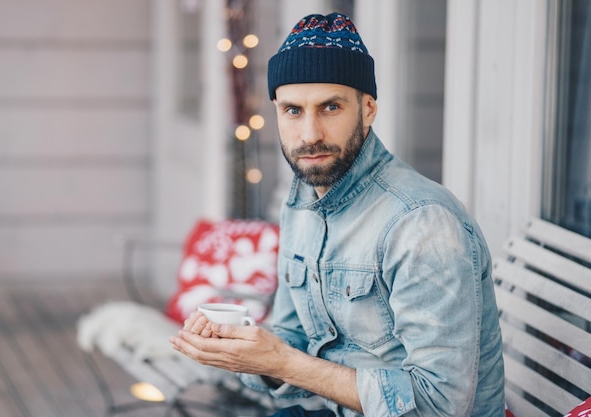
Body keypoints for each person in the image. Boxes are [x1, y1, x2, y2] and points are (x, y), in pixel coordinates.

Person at [170, 12, 505, 417]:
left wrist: (283, 363)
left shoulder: (420, 222)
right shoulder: (301, 201)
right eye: (293, 111)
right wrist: (245, 349)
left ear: (367, 109)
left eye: (330, 107)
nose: (310, 134)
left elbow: (439, 404)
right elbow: (293, 335)